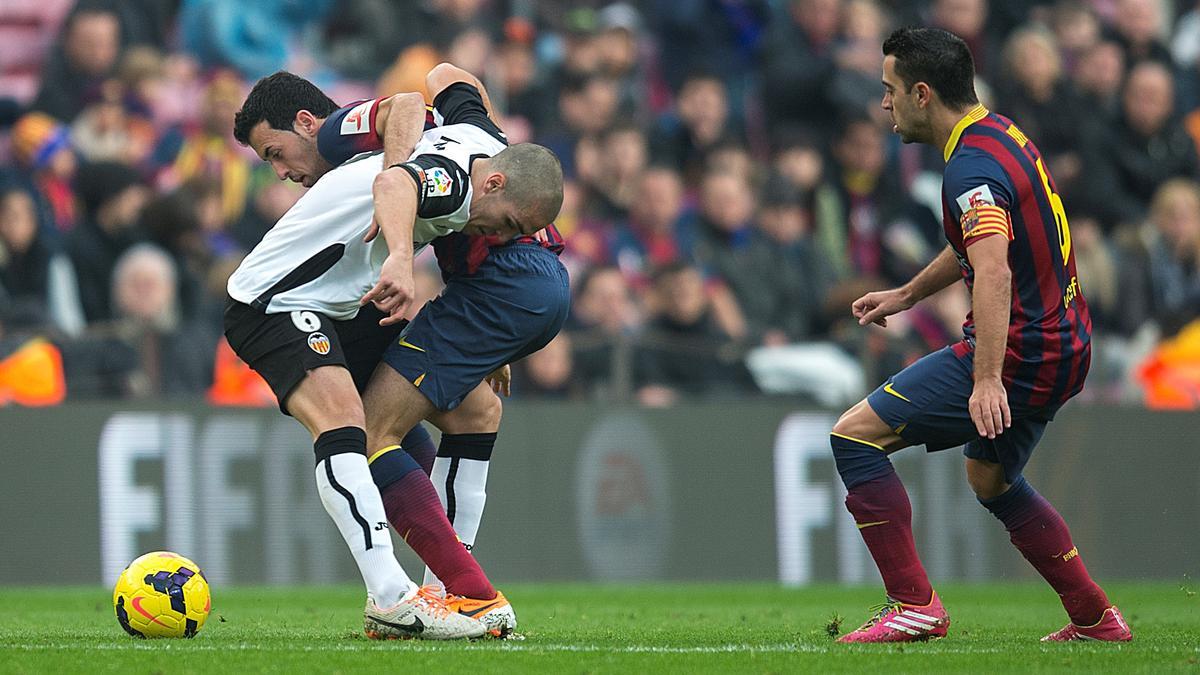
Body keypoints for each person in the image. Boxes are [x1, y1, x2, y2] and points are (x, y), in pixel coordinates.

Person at [226, 64, 565, 638]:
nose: (499, 238)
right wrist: (402, 257)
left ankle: (452, 589)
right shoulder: (450, 178)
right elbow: (397, 175)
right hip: (275, 301)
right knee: (348, 423)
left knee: (476, 409)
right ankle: (393, 597)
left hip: (340, 307)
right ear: (498, 185)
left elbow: (444, 79)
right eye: (506, 225)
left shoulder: (476, 142)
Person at [829, 27, 1130, 644]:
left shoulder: (968, 166)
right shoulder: (1001, 132)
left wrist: (987, 377)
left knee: (854, 437)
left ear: (920, 94)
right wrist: (907, 294)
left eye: (888, 91)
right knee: (989, 479)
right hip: (1068, 343)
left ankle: (914, 605)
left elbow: (990, 268)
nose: (882, 104)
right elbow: (985, 240)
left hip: (1021, 352)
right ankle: (1095, 617)